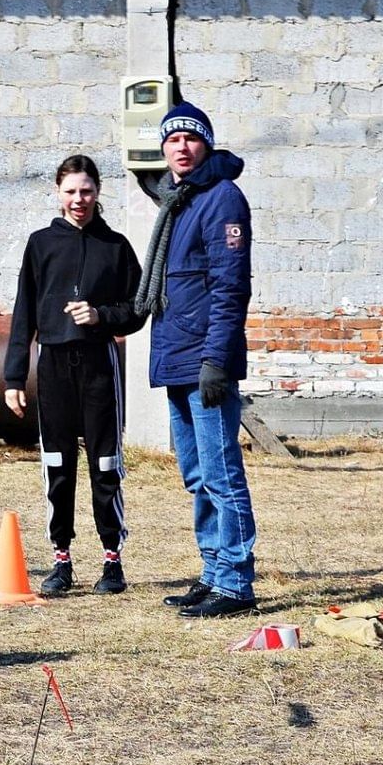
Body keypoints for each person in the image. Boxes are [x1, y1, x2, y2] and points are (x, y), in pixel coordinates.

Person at [136, 102, 257, 617]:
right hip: (176, 357)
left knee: (222, 472)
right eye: (172, 139)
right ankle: (212, 572)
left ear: (206, 143)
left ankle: (235, 582)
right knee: (197, 474)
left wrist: (216, 361)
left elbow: (230, 288)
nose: (180, 147)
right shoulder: (179, 201)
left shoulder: (222, 198)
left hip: (205, 362)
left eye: (190, 138)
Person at [3, 154, 143, 596]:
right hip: (54, 367)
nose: (79, 199)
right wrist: (12, 378)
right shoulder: (41, 243)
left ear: (98, 191)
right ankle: (60, 559)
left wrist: (101, 315)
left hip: (100, 365)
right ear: (57, 193)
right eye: (70, 191)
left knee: (105, 464)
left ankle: (112, 560)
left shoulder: (116, 246)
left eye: (86, 190)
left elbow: (138, 309)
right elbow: (23, 313)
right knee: (57, 464)